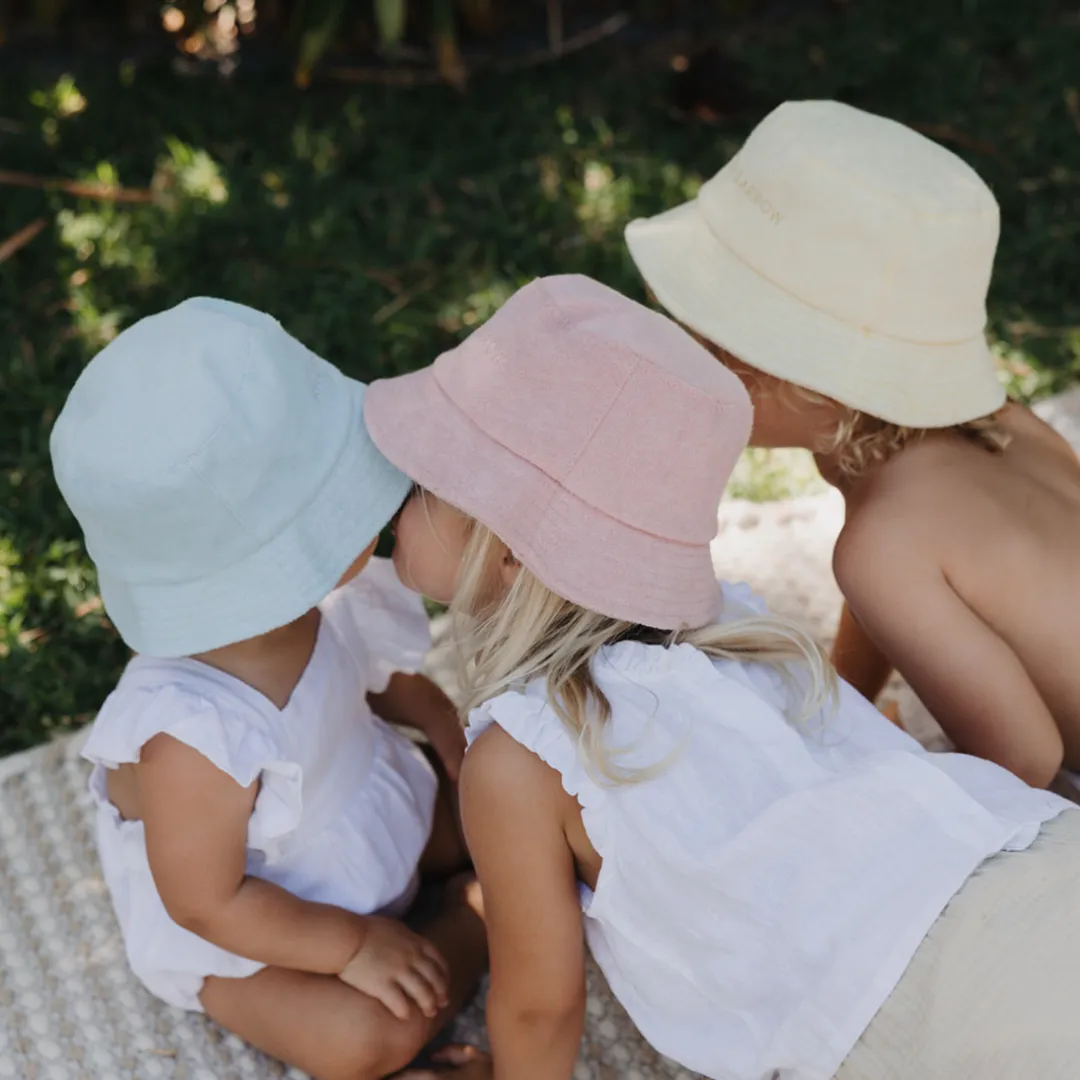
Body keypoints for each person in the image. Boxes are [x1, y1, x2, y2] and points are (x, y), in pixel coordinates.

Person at [364, 274, 1076, 1080]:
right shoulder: (741, 631)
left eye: (422, 481)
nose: (394, 488)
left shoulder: (519, 762)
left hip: (922, 1011)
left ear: (510, 551)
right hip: (1033, 859)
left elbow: (540, 1006)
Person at [49, 298, 486, 1080]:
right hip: (256, 927)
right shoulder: (191, 734)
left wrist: (447, 731)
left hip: (355, 812)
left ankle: (470, 895)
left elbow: (376, 684)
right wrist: (351, 945)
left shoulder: (313, 607)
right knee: (361, 1039)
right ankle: (473, 919)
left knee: (494, 810)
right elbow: (207, 902)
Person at [624, 98, 1080, 789]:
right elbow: (898, 590)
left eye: (708, 342)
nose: (681, 356)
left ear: (809, 380)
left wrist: (877, 786)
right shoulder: (1001, 426)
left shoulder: (882, 546)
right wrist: (843, 705)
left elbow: (1024, 760)